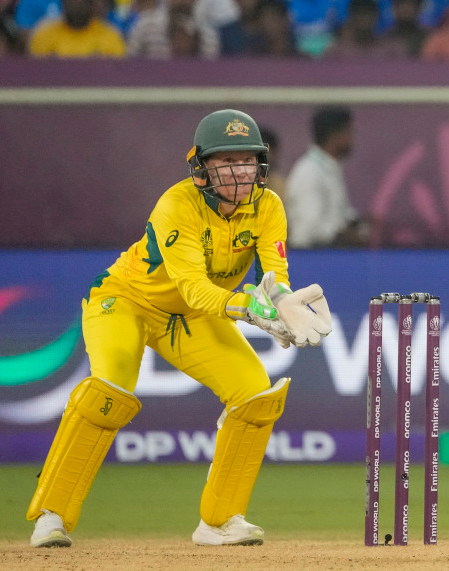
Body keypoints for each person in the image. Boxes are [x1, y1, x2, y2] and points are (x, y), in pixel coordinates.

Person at [27, 109, 333, 548]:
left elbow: (273, 276)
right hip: (126, 301)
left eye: (247, 161)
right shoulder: (177, 205)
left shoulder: (268, 206)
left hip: (188, 318)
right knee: (109, 391)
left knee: (255, 394)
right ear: (201, 166)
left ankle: (219, 521)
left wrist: (282, 304)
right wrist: (248, 309)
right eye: (227, 161)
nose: (239, 172)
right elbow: (193, 288)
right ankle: (51, 516)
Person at [285, 105, 367, 248]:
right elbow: (309, 229)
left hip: (328, 254)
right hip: (311, 256)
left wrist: (357, 223)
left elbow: (338, 216)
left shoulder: (330, 169)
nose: (353, 139)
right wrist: (345, 234)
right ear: (336, 136)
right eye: (349, 133)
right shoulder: (309, 172)